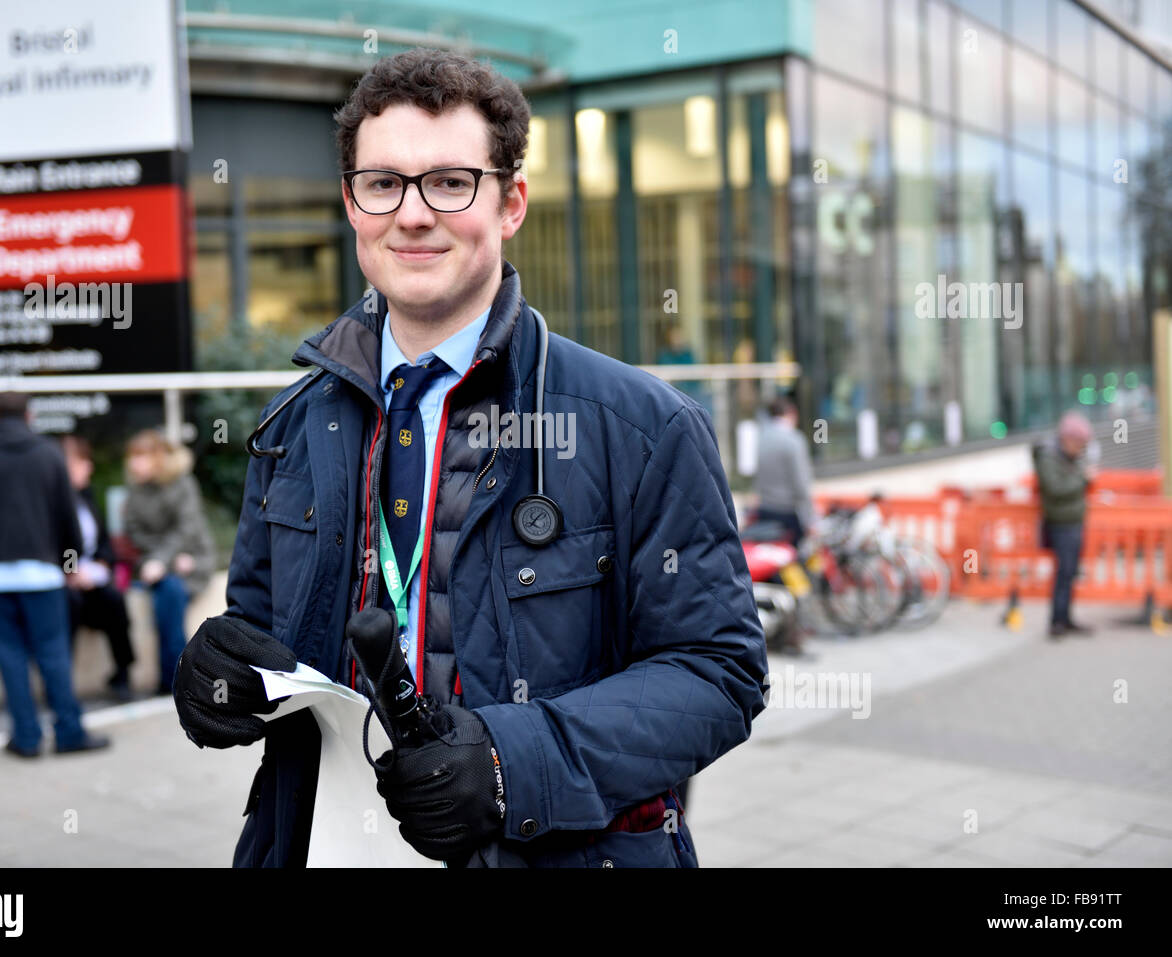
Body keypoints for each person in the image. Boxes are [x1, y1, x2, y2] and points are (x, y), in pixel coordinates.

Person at [171, 48, 768, 868]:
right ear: (351, 202)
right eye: (383, 183)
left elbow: (718, 674)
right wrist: (219, 678)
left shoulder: (640, 427)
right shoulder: (294, 422)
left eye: (450, 182)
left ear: (511, 201)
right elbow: (259, 633)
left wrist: (506, 762)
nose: (412, 215)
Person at [0, 392, 109, 758]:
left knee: (10, 656)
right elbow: (67, 519)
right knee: (53, 654)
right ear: (30, 414)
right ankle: (69, 732)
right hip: (42, 575)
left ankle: (25, 738)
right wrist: (69, 566)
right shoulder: (48, 455)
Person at [122, 430, 215, 695]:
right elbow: (135, 532)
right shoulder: (135, 491)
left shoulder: (183, 484)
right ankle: (180, 677)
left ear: (158, 458)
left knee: (170, 595)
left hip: (192, 562)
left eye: (140, 457)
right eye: (132, 457)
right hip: (160, 566)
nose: (134, 463)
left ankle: (176, 677)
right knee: (167, 596)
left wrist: (165, 560)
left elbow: (186, 529)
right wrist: (163, 560)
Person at [62, 435, 136, 701]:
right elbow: (50, 542)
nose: (88, 468)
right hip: (65, 584)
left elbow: (102, 542)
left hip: (92, 579)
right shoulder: (52, 502)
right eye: (80, 463)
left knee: (114, 600)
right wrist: (69, 571)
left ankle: (122, 672)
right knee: (68, 604)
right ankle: (62, 684)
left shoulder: (87, 498)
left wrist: (103, 562)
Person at [1033, 411, 1095, 639]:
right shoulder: (1049, 458)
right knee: (1063, 572)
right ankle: (1057, 621)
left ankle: (1066, 617)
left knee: (1070, 573)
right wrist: (1082, 480)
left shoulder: (1070, 458)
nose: (1081, 448)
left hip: (1073, 520)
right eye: (1079, 443)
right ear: (1067, 439)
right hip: (1060, 522)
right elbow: (1055, 489)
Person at [754, 394, 816, 545]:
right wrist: (811, 520)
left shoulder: (762, 438)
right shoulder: (794, 440)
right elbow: (801, 484)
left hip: (765, 510)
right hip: (788, 514)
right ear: (792, 412)